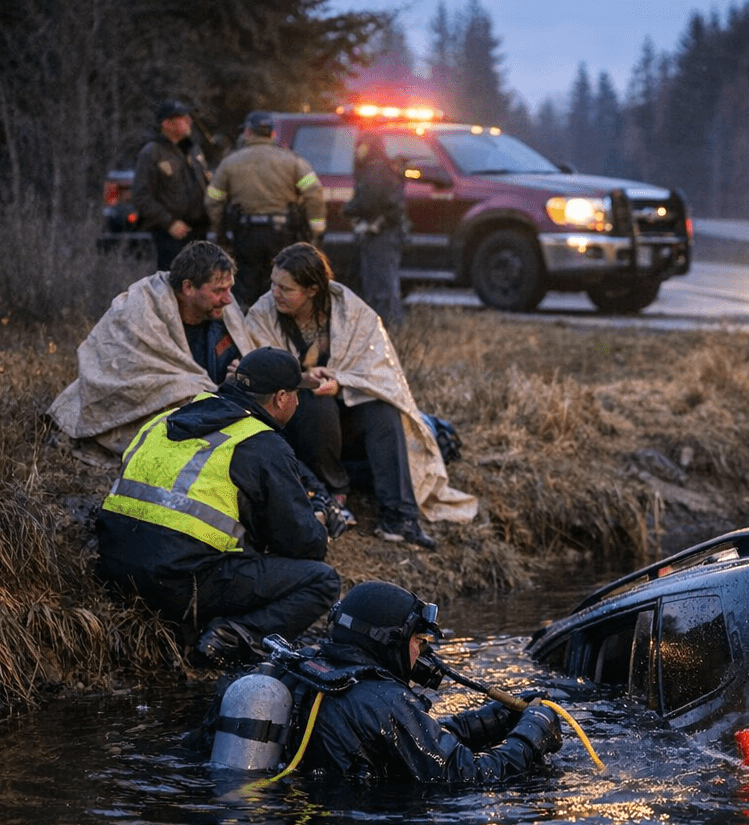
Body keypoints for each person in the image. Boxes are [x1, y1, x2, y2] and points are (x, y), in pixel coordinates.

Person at [95, 347, 341, 667]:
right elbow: (302, 545)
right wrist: (319, 520)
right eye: (297, 394)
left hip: (114, 568)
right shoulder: (263, 443)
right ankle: (230, 637)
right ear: (281, 398)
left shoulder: (164, 419)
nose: (298, 402)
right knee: (322, 580)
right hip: (180, 583)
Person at [245, 242, 477, 545]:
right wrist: (302, 379)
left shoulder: (348, 309)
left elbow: (378, 371)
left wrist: (340, 383)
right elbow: (258, 371)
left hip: (347, 420)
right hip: (296, 425)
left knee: (382, 409)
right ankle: (332, 496)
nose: (275, 293)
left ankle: (399, 516)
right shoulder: (263, 313)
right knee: (318, 404)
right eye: (273, 283)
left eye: (286, 289)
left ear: (313, 290)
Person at [216, 581, 562, 784]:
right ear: (388, 641)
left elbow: (405, 742)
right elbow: (467, 775)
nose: (421, 653)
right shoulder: (383, 698)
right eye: (418, 642)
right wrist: (533, 733)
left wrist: (493, 719)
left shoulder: (301, 666)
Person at [48, 241, 250, 456]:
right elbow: (124, 380)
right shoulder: (138, 311)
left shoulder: (222, 311)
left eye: (229, 289)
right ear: (188, 287)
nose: (228, 299)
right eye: (219, 291)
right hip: (150, 408)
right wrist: (201, 392)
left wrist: (235, 380)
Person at [206, 111, 326, 309]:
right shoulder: (293, 161)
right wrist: (316, 231)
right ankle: (276, 331)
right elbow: (314, 193)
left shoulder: (230, 163)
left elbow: (213, 201)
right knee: (280, 285)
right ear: (272, 134)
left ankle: (247, 332)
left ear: (247, 132)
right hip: (282, 235)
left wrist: (220, 233)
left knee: (245, 288)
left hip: (245, 235)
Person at [132, 99, 212, 272]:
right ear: (167, 124)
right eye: (182, 118)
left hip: (199, 232)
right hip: (171, 236)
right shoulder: (152, 152)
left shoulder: (194, 150)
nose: (189, 121)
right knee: (173, 284)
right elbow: (141, 196)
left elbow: (208, 187)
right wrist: (169, 223)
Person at [343, 131, 407, 329]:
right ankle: (387, 326)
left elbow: (369, 201)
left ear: (369, 147)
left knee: (381, 285)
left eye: (360, 146)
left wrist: (350, 211)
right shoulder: (382, 169)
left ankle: (387, 328)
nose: (356, 151)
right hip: (384, 233)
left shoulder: (375, 171)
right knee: (382, 282)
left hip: (380, 235)